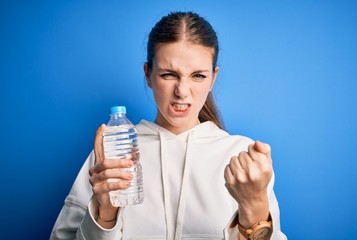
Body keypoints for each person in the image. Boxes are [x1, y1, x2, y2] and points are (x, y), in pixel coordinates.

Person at [50, 11, 286, 240]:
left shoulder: (242, 159)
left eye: (198, 76)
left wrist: (255, 208)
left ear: (213, 78)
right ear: (148, 74)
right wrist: (105, 216)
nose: (182, 92)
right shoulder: (112, 155)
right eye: (168, 74)